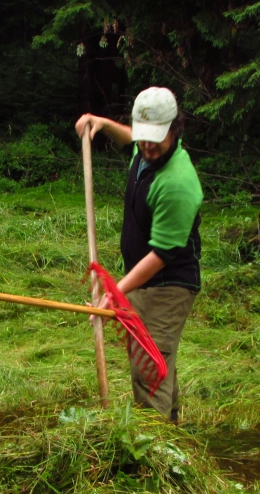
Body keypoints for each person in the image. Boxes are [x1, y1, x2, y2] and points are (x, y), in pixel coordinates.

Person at [76, 87, 203, 424]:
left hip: (168, 282)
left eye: (155, 139)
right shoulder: (148, 149)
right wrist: (102, 123)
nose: (146, 146)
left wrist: (115, 294)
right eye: (144, 137)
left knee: (150, 364)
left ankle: (155, 450)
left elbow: (162, 253)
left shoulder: (177, 183)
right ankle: (172, 424)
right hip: (146, 277)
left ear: (175, 129)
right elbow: (135, 139)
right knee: (155, 354)